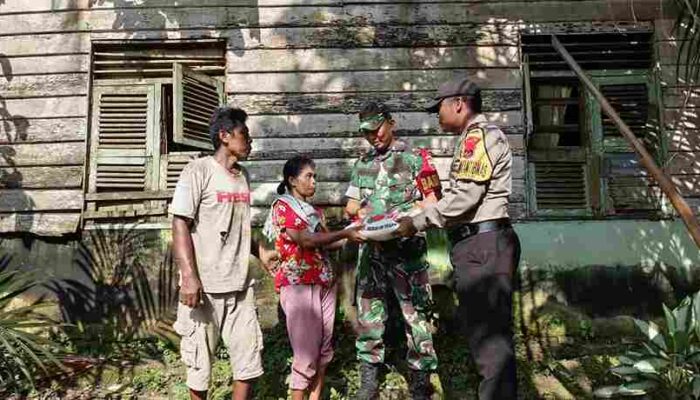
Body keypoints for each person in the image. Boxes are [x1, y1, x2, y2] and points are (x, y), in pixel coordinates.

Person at [395, 77, 522, 400]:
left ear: (458, 104)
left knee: (490, 346)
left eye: (438, 107)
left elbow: (466, 198)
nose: (436, 115)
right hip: (482, 244)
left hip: (483, 247)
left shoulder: (476, 137)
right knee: (490, 343)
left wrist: (418, 221)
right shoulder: (476, 137)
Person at [345, 102, 439, 400]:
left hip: (407, 253)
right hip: (372, 255)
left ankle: (421, 384)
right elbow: (350, 206)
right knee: (369, 319)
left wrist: (404, 217)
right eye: (367, 133)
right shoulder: (362, 163)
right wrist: (358, 220)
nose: (373, 136)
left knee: (417, 319)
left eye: (377, 129)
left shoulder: (418, 158)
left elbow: (433, 202)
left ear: (392, 122)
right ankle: (369, 384)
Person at [170, 107, 263, 400]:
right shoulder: (198, 170)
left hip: (240, 287)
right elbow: (180, 222)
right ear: (224, 136)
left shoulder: (243, 175)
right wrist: (188, 276)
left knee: (248, 362)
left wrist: (263, 252)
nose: (250, 141)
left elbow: (240, 226)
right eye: (244, 135)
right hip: (205, 288)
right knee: (200, 365)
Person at [262, 155, 364, 400]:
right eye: (308, 176)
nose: (314, 181)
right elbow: (304, 240)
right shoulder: (283, 206)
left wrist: (363, 228)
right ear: (292, 180)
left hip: (325, 281)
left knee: (323, 350)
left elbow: (332, 243)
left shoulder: (314, 211)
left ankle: (315, 397)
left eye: (315, 176)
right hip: (299, 285)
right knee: (306, 354)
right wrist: (345, 233)